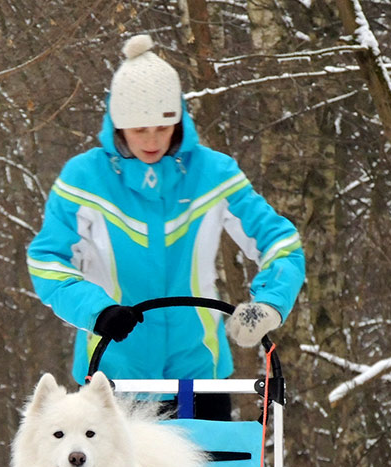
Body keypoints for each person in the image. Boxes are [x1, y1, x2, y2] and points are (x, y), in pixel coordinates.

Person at [26, 34, 305, 420]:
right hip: (113, 379)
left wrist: (269, 303)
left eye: (164, 125)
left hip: (199, 372)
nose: (153, 140)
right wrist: (97, 311)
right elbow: (46, 261)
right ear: (117, 124)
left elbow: (280, 242)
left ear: (179, 119)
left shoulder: (214, 174)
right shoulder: (83, 180)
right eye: (139, 129)